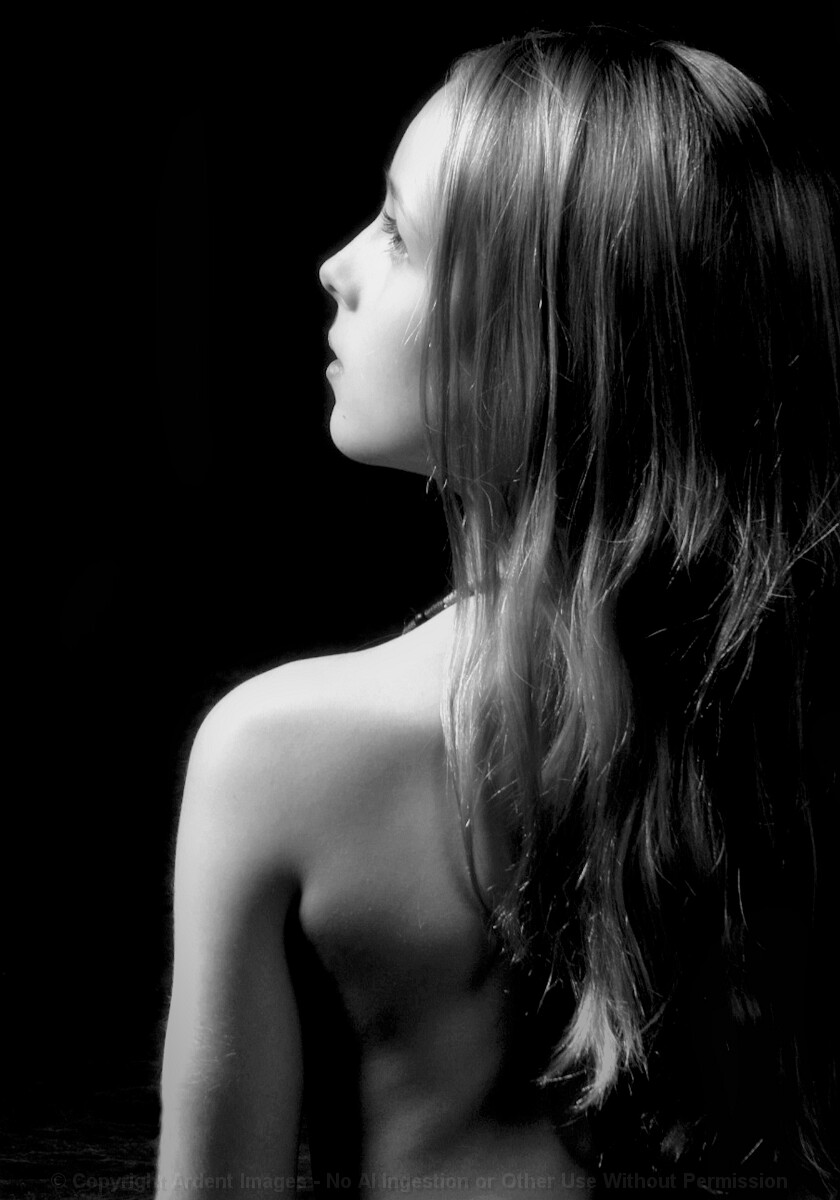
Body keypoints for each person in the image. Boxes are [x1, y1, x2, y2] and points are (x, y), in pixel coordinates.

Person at [155, 25, 840, 1198]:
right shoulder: (799, 735)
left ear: (552, 338)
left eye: (399, 233)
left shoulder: (277, 754)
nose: (336, 265)